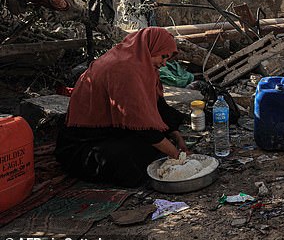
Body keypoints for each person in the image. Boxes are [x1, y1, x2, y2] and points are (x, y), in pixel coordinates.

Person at [56, 27, 189, 187]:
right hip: (85, 140)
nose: (164, 63)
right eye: (163, 56)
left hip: (111, 130)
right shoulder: (125, 70)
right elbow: (142, 124)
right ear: (151, 48)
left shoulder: (145, 67)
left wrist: (178, 138)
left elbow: (158, 106)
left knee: (154, 147)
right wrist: (177, 156)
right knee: (129, 159)